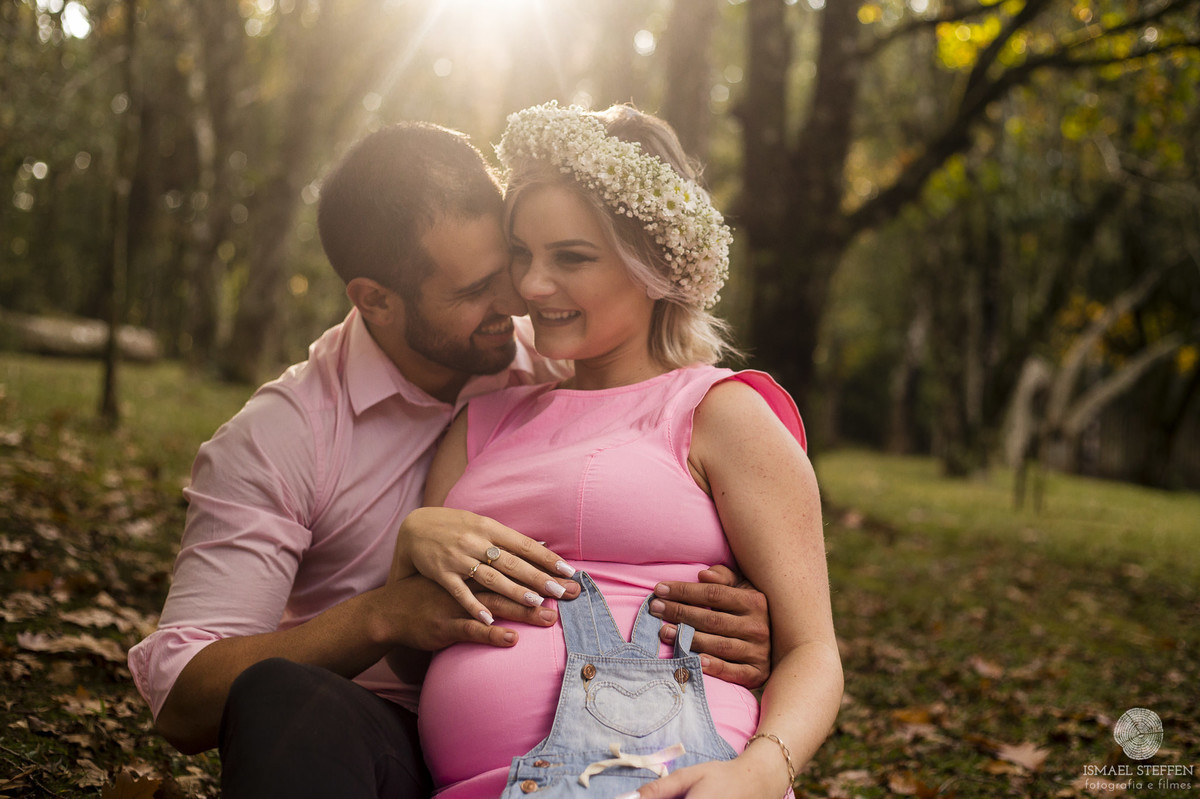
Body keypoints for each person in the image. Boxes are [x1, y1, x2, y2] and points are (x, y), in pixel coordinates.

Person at [126, 121, 775, 799]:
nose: (519, 298)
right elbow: (182, 697)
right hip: (369, 743)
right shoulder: (280, 437)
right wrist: (382, 613)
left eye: (512, 264)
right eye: (475, 292)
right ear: (374, 298)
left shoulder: (561, 345)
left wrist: (752, 621)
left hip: (596, 743)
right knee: (288, 699)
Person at [388, 103, 842, 798]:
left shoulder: (722, 413)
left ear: (652, 264)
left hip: (666, 778)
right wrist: (411, 543)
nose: (533, 286)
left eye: (571, 257)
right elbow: (409, 648)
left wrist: (756, 772)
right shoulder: (482, 423)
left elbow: (813, 650)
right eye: (522, 253)